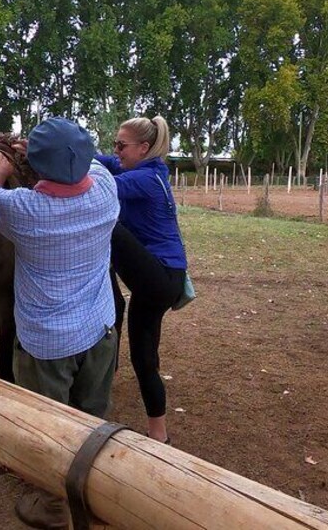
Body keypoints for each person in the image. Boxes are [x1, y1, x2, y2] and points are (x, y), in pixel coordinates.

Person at [0, 117, 120, 530]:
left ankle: (55, 507)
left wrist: (3, 167)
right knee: (92, 419)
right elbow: (94, 165)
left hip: (46, 346)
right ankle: (97, 496)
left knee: (48, 429)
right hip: (99, 333)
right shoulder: (107, 195)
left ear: (37, 167)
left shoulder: (22, 209)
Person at [94, 115, 187, 445]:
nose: (115, 150)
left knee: (107, 221)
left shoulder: (144, 180)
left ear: (144, 148)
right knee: (144, 359)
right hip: (157, 283)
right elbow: (103, 162)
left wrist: (66, 165)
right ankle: (158, 435)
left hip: (160, 277)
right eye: (115, 144)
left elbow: (100, 183)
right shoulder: (143, 169)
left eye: (121, 145)